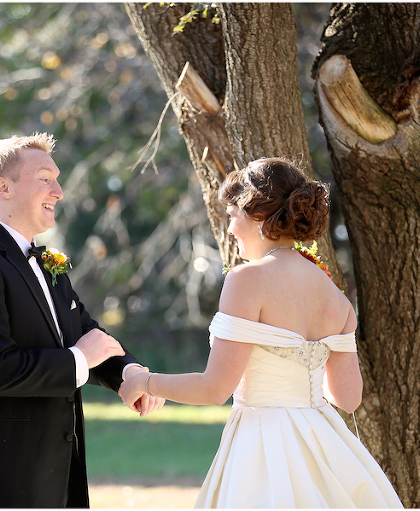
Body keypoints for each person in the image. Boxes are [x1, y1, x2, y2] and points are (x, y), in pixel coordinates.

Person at [119, 157, 403, 508]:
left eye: (232, 215)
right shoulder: (335, 296)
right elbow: (348, 398)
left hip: (262, 446)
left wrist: (144, 382)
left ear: (258, 214)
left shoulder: (247, 280)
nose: (230, 229)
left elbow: (214, 389)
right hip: (325, 445)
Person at [0, 133, 164, 508]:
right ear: (3, 187)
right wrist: (80, 359)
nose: (58, 191)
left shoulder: (47, 263)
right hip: (3, 480)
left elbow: (85, 333)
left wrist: (130, 374)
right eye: (45, 179)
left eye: (57, 180)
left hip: (61, 475)